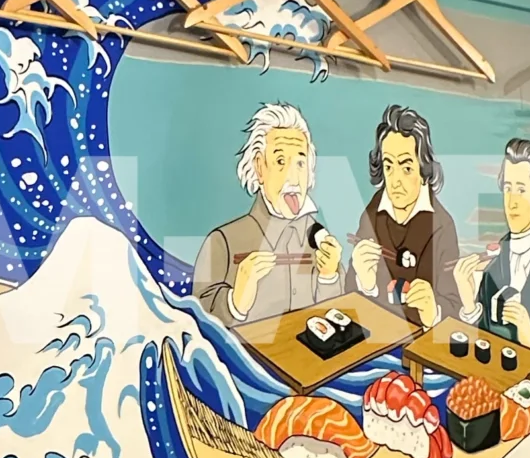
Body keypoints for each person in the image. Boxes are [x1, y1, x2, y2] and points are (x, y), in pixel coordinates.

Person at [192, 102, 345, 330]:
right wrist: (235, 302)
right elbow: (197, 323)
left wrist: (329, 276)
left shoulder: (318, 238)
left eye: (300, 163)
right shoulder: (222, 242)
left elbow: (337, 315)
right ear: (259, 167)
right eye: (281, 162)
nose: (293, 177)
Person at [454, 138, 530, 346]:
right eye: (507, 189)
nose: (512, 202)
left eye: (521, 190)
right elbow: (481, 339)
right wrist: (469, 305)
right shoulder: (493, 265)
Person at [349, 102, 459, 327]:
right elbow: (349, 292)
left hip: (420, 339)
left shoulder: (442, 226)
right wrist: (365, 283)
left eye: (406, 168)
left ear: (423, 170)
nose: (395, 181)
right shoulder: (373, 213)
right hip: (376, 333)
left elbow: (455, 307)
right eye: (388, 167)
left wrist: (434, 312)